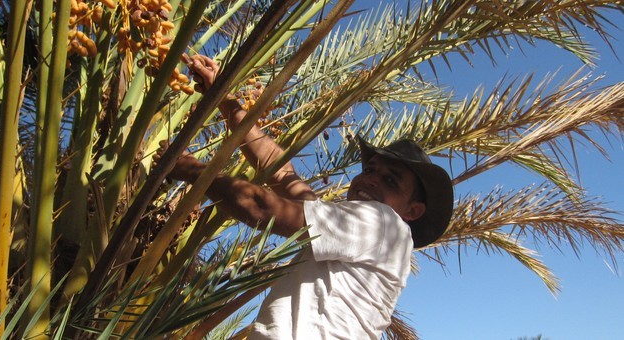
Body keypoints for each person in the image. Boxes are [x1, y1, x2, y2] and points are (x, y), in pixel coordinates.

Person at [157, 55, 454, 339]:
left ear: (412, 211)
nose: (370, 179)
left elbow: (262, 207)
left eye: (390, 180)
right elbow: (281, 173)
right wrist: (224, 98)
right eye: (370, 169)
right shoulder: (357, 233)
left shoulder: (384, 224)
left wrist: (190, 169)